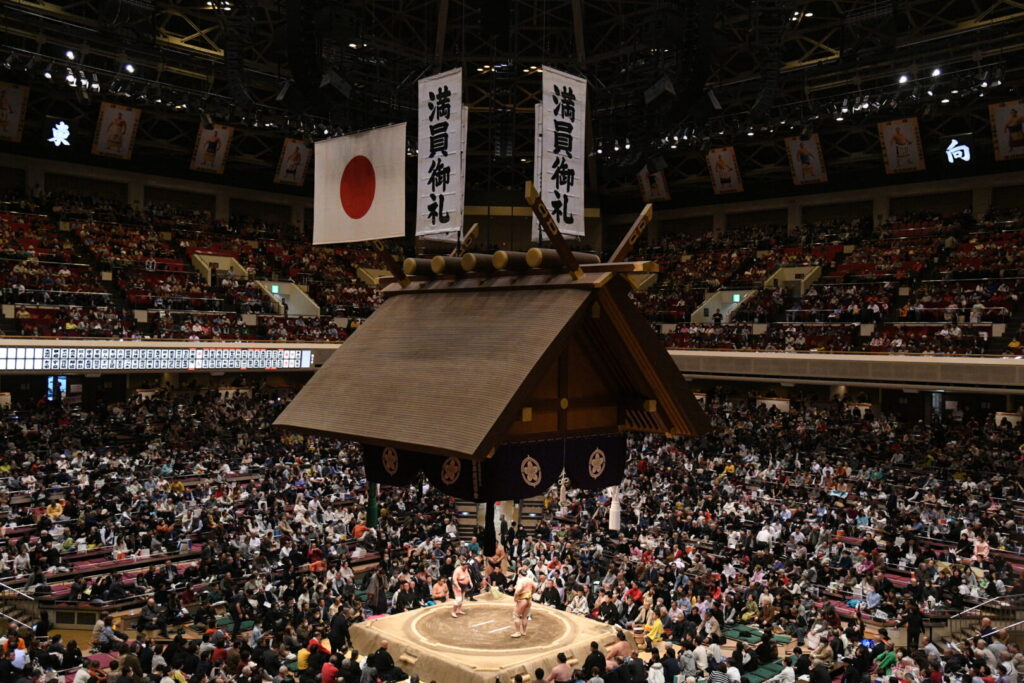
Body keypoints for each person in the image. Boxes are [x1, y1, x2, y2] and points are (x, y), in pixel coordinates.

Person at [511, 566, 536, 639]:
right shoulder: (530, 580)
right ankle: (524, 632)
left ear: (519, 574)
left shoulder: (521, 580)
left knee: (516, 615)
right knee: (524, 616)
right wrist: (531, 593)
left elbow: (518, 590)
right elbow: (535, 587)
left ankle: (518, 632)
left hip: (522, 599)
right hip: (529, 600)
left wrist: (515, 598)